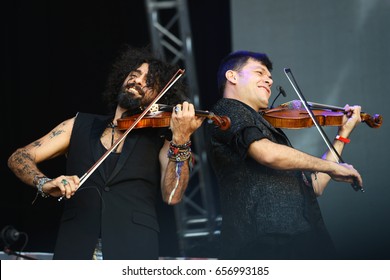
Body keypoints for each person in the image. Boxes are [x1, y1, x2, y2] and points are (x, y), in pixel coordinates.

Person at [7, 45, 204, 260]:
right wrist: (44, 183)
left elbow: (173, 195)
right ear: (122, 79)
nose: (138, 81)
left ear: (158, 97)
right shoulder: (79, 124)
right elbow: (19, 157)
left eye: (149, 82)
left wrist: (182, 139)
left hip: (134, 252)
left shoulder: (163, 138)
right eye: (134, 75)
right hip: (75, 248)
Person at [208, 50, 363, 260]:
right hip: (263, 241)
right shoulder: (227, 110)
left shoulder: (263, 124)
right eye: (259, 72)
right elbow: (268, 154)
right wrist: (334, 167)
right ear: (232, 76)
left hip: (301, 238)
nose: (269, 80)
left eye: (270, 77)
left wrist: (342, 135)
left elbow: (315, 186)